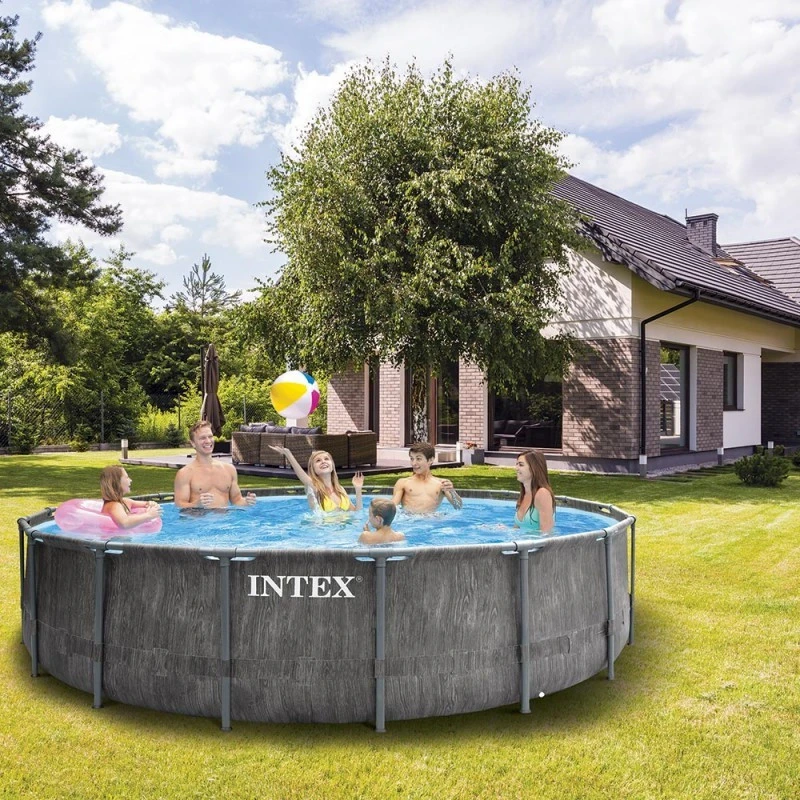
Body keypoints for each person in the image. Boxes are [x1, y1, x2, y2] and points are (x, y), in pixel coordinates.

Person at [174, 420, 257, 509]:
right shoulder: (185, 474)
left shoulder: (229, 469)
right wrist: (196, 505)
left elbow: (237, 500)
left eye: (210, 436)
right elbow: (179, 505)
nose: (208, 441)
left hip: (225, 518)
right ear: (193, 443)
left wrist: (246, 502)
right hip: (199, 517)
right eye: (202, 438)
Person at [270, 445, 363, 512]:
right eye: (318, 460)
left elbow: (357, 512)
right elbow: (302, 476)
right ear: (313, 469)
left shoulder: (340, 489)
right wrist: (288, 454)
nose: (323, 461)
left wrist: (358, 490)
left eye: (326, 459)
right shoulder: (315, 488)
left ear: (332, 465)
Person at [391, 441, 462, 513]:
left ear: (430, 460)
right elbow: (392, 508)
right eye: (412, 459)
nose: (414, 463)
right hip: (410, 518)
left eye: (418, 459)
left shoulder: (441, 484)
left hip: (431, 519)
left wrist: (452, 491)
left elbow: (458, 506)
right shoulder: (403, 483)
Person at [100, 465, 163, 529]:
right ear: (117, 482)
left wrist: (152, 504)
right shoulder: (113, 505)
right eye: (127, 477)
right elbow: (125, 524)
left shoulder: (126, 501)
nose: (130, 480)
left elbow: (146, 504)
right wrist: (148, 515)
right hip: (113, 535)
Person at [514, 449, 555, 534]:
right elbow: (517, 529)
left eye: (521, 465)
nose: (516, 468)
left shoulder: (542, 494)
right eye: (516, 464)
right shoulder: (524, 495)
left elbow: (546, 533)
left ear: (534, 468)